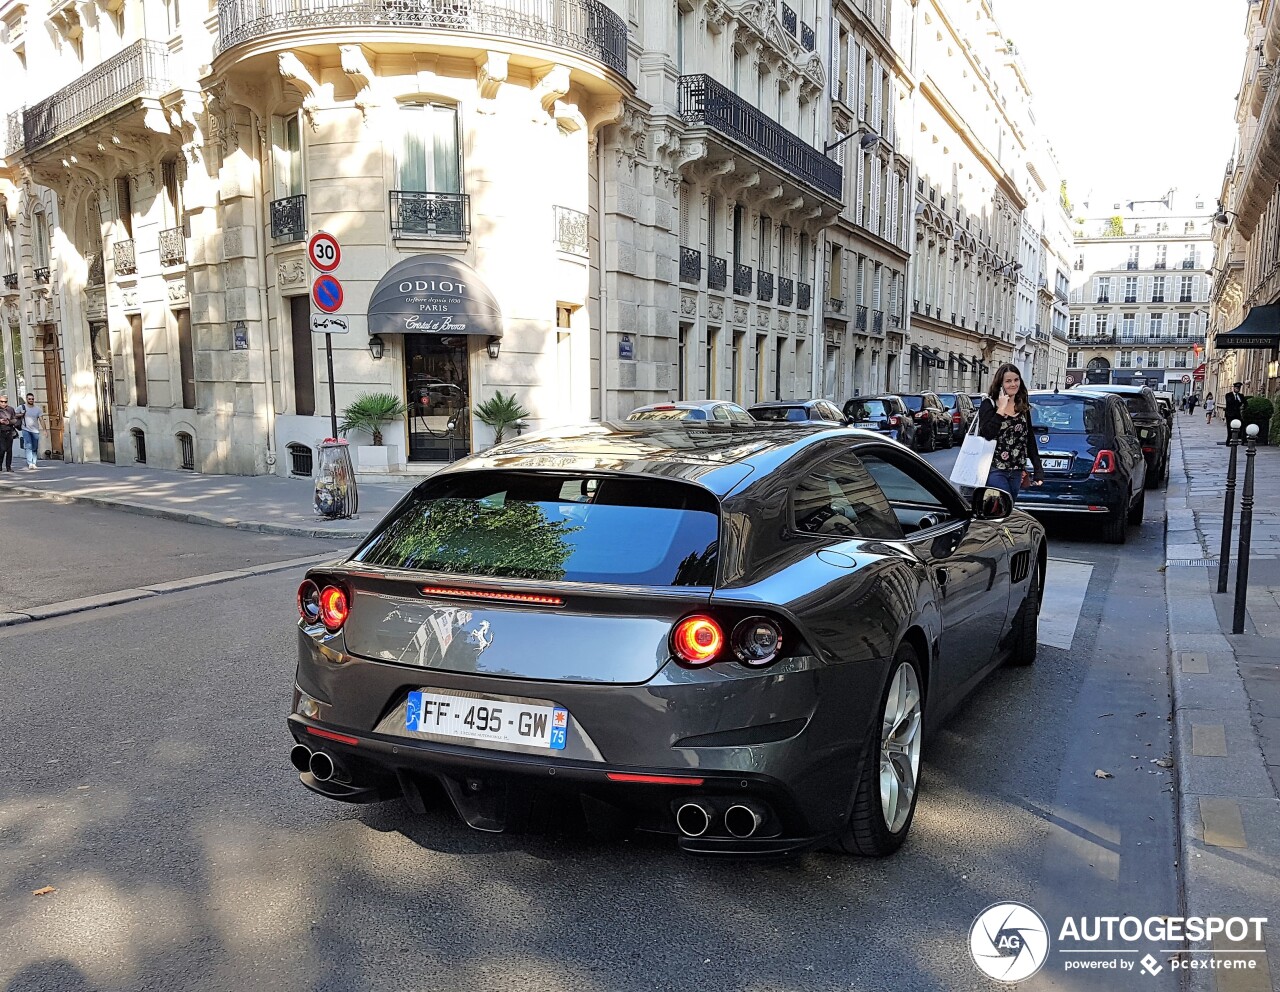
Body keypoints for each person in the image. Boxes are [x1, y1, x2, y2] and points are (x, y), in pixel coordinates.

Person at [977, 363, 1043, 500]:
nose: (1013, 384)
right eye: (1008, 381)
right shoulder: (989, 405)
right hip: (994, 469)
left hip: (1017, 470)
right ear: (1000, 384)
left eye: (1016, 380)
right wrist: (1001, 410)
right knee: (1002, 506)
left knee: (1008, 508)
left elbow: (1029, 438)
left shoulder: (1022, 407)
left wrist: (1038, 468)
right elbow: (987, 434)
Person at [16, 392, 43, 470]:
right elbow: (14, 414)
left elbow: (41, 420)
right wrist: (21, 414)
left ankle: (34, 462)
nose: (31, 400)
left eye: (32, 399)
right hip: (25, 429)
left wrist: (44, 430)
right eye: (29, 399)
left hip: (35, 430)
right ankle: (30, 463)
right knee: (28, 446)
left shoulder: (38, 409)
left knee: (34, 447)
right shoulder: (22, 407)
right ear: (26, 399)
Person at [0, 395, 19, 471]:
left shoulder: (10, 409)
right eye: (1, 401)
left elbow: (15, 420)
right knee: (2, 449)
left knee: (9, 450)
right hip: (0, 431)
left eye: (5, 402)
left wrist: (9, 422)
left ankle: (8, 467)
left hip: (9, 431)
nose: (3, 403)